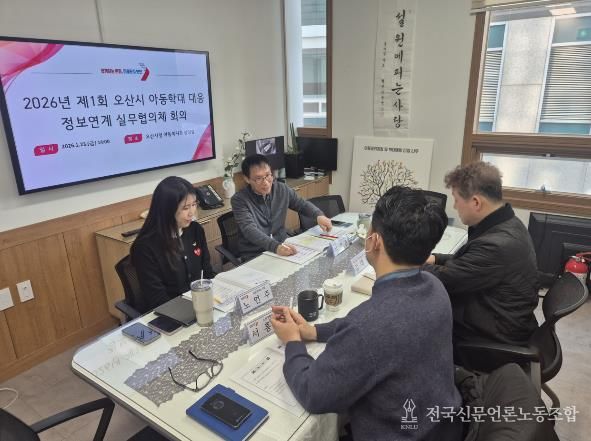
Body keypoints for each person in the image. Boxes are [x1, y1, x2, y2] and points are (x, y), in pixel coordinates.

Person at [271, 187, 462, 441]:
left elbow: (313, 393)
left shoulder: (368, 327)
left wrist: (292, 341)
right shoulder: (435, 286)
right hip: (442, 427)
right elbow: (368, 325)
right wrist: (314, 331)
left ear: (374, 241)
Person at [425, 161, 539, 352]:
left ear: (476, 202)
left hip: (494, 335)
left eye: (456, 200)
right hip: (502, 316)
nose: (454, 206)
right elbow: (470, 262)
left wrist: (403, 261)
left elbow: (445, 279)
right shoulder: (507, 223)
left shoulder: (497, 244)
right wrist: (434, 259)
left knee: (417, 317)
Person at [131, 176, 215, 313]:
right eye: (185, 208)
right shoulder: (144, 247)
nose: (192, 213)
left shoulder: (195, 230)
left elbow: (207, 272)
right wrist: (193, 310)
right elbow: (157, 299)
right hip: (170, 312)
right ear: (167, 210)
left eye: (194, 204)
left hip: (200, 303)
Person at [231, 154, 332, 261]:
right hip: (255, 254)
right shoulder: (239, 200)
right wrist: (275, 247)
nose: (266, 182)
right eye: (258, 178)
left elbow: (301, 204)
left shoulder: (281, 189)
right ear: (247, 179)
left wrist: (318, 215)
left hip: (282, 245)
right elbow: (249, 230)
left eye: (268, 175)